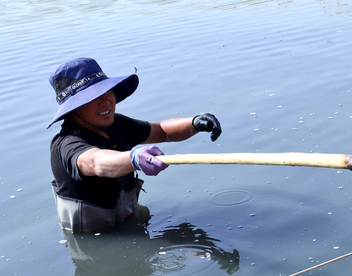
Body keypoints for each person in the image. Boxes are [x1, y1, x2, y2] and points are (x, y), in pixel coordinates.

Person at [48, 57, 223, 233]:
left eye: (107, 91)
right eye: (93, 96)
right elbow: (95, 162)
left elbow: (162, 131)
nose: (106, 100)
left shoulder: (116, 125)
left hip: (129, 222)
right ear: (73, 108)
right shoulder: (66, 144)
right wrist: (133, 158)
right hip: (92, 241)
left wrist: (194, 123)